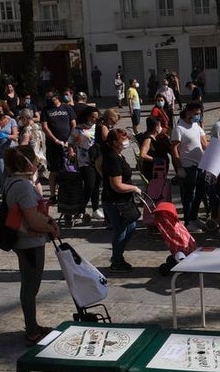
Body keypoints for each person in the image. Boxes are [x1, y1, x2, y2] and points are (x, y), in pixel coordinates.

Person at [3, 147, 60, 343]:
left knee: (29, 286)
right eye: (35, 160)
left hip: (25, 240)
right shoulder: (24, 187)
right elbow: (33, 220)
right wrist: (51, 227)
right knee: (30, 287)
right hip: (29, 242)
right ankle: (32, 330)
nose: (38, 163)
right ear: (28, 163)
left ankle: (33, 325)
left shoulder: (13, 181)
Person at [99, 129, 143, 272]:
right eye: (123, 140)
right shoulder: (112, 158)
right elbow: (116, 185)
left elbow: (98, 165)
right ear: (114, 143)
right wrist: (134, 188)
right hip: (115, 201)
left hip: (122, 199)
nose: (126, 142)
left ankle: (117, 256)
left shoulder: (116, 155)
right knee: (121, 230)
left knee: (131, 227)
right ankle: (116, 261)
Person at [170, 102, 209, 231]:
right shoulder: (179, 129)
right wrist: (179, 168)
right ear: (188, 112)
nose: (198, 116)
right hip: (188, 167)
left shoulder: (197, 126)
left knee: (200, 193)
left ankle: (194, 217)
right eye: (196, 114)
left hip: (200, 166)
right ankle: (188, 221)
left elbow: (205, 144)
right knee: (188, 196)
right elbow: (174, 149)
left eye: (199, 114)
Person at [67, 106, 101, 224]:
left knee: (97, 185)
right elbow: (70, 142)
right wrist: (71, 151)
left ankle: (95, 209)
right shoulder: (79, 129)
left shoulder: (98, 128)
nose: (95, 120)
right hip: (84, 160)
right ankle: (80, 209)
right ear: (87, 117)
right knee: (89, 185)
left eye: (97, 118)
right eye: (93, 117)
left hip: (97, 160)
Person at [137, 116, 171, 182]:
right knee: (156, 189)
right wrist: (155, 159)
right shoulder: (148, 139)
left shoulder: (157, 137)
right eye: (160, 125)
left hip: (160, 169)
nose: (161, 128)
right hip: (153, 169)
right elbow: (142, 155)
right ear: (156, 127)